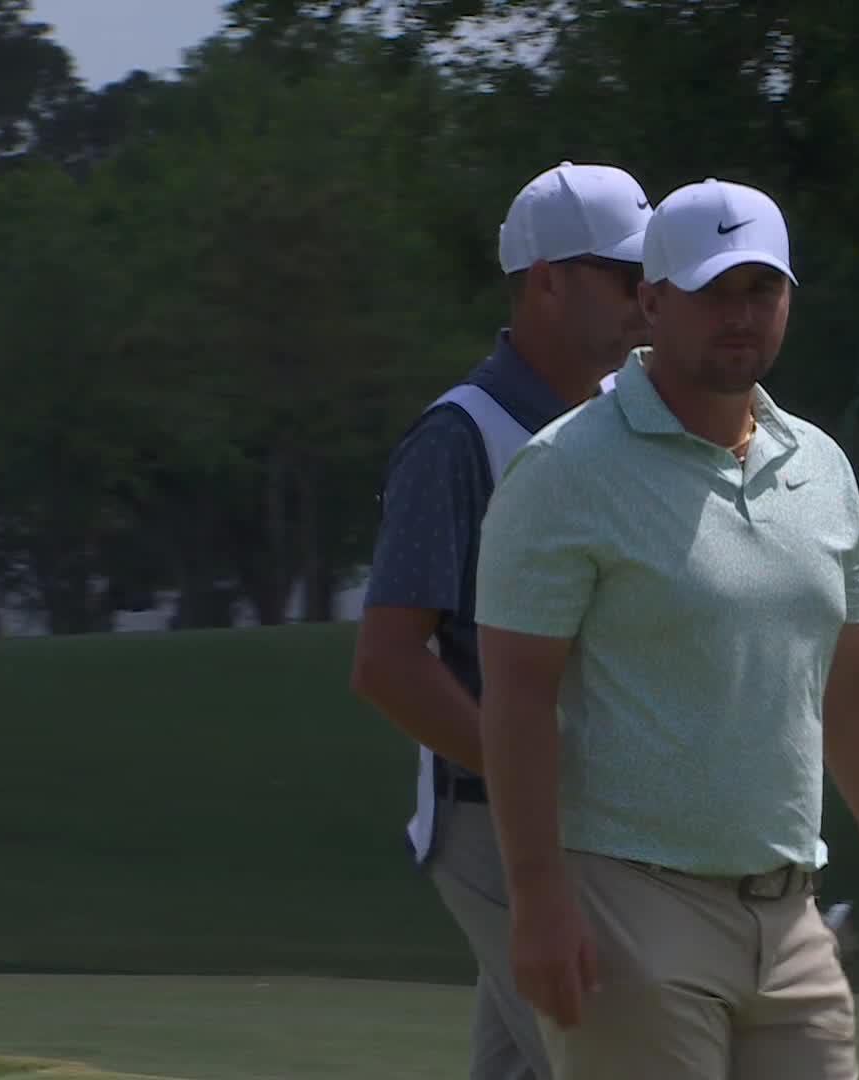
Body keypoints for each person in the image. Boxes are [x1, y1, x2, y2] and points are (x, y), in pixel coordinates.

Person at [473, 177, 859, 1079]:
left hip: (792, 916)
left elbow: (854, 675)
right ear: (651, 301)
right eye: (713, 291)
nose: (741, 315)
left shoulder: (823, 468)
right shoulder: (563, 469)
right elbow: (518, 695)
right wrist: (538, 900)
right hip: (626, 908)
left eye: (761, 291)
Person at [350, 161, 654, 1080]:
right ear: (547, 279)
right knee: (612, 1059)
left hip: (604, 820)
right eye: (624, 276)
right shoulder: (459, 437)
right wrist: (532, 772)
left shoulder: (624, 420)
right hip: (493, 821)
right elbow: (389, 662)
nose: (650, 297)